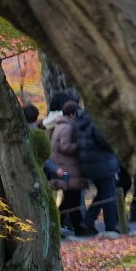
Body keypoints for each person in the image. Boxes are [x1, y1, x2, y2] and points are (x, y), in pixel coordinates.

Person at [74, 105, 124, 235]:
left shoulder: (81, 122)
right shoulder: (96, 123)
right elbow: (105, 142)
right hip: (103, 163)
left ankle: (88, 220)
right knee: (109, 195)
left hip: (89, 164)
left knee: (102, 193)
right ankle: (111, 225)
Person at [46, 98, 89, 236]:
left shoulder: (61, 125)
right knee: (73, 199)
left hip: (67, 167)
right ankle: (78, 228)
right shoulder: (67, 127)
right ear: (72, 113)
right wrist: (80, 145)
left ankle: (60, 224)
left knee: (69, 199)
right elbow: (65, 146)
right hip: (69, 168)